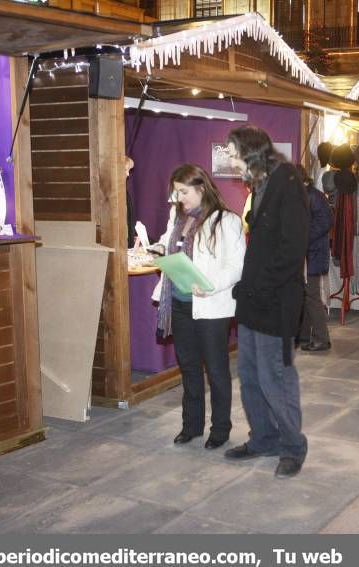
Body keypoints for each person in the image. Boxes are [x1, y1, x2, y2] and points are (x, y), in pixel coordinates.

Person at [223, 126, 309, 479]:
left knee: (276, 376)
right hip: (254, 298)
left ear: (251, 152)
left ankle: (292, 446)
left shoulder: (286, 181)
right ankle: (264, 438)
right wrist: (248, 288)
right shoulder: (260, 183)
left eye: (231, 153)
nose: (229, 161)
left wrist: (260, 286)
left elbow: (293, 248)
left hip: (276, 300)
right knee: (249, 375)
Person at [152, 164, 245, 450]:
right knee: (189, 368)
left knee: (216, 370)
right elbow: (173, 245)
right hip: (180, 304)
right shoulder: (177, 217)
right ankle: (191, 426)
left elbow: (237, 266)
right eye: (176, 192)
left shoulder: (226, 220)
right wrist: (160, 248)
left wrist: (211, 284)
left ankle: (220, 429)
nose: (179, 197)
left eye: (184, 191)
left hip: (211, 306)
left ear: (201, 188)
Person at [298, 166, 333, 352]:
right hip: (310, 254)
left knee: (311, 296)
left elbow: (325, 223)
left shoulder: (313, 196)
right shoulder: (309, 195)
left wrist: (301, 236)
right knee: (306, 295)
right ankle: (305, 335)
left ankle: (321, 338)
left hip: (313, 254)